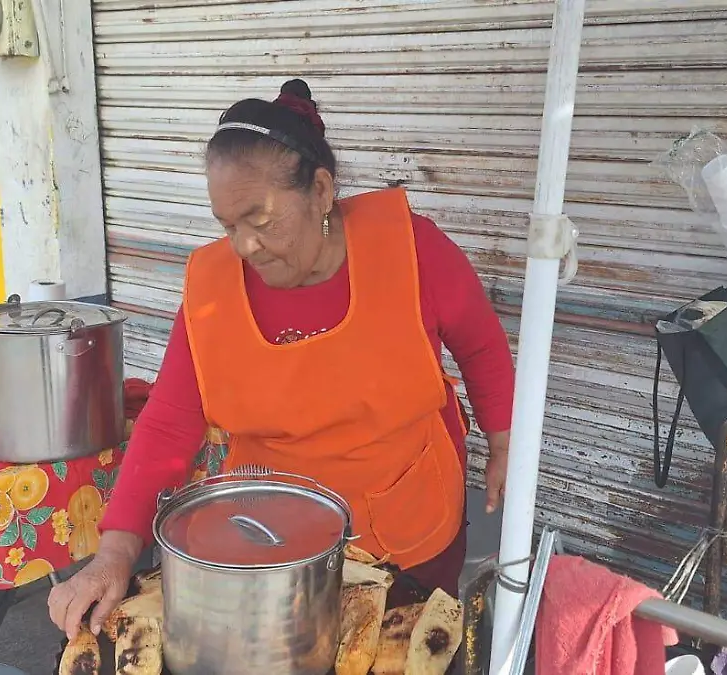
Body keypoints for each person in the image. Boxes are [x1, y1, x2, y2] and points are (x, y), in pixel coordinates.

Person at [49, 79, 516, 638]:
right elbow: (169, 422)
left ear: (320, 191)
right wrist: (114, 553)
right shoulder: (212, 287)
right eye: (228, 226)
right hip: (268, 545)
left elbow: (481, 346)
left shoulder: (412, 251)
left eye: (261, 220)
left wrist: (505, 444)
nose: (243, 246)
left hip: (406, 526)